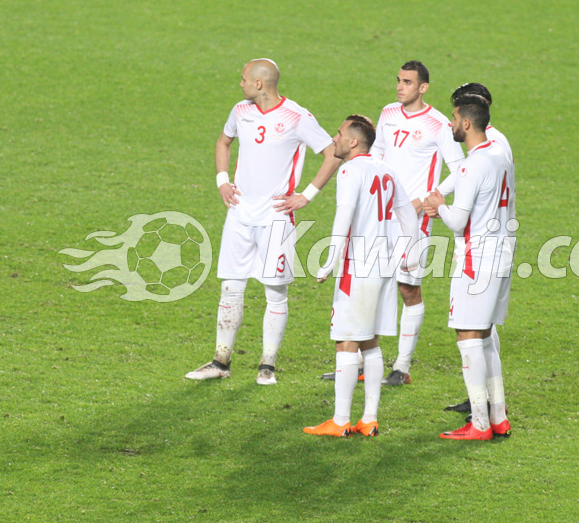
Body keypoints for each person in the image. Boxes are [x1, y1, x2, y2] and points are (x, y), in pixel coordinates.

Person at [186, 58, 341, 385]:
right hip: (239, 214)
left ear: (259, 83)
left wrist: (307, 195)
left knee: (274, 291)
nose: (239, 84)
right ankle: (220, 361)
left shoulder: (297, 117)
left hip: (276, 218)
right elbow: (223, 141)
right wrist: (222, 180)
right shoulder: (240, 111)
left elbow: (332, 152)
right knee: (230, 287)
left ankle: (267, 365)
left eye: (243, 79)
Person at [303, 116, 419, 437]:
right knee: (371, 342)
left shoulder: (350, 170)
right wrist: (409, 254)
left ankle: (340, 421)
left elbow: (345, 214)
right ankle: (369, 419)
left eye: (339, 133)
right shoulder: (386, 169)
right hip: (383, 265)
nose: (335, 137)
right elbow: (408, 214)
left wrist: (330, 260)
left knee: (346, 341)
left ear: (353, 141)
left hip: (358, 266)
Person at [423, 93, 515, 440]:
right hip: (502, 253)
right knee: (486, 336)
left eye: (453, 118)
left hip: (477, 259)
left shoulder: (472, 163)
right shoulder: (500, 153)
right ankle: (498, 416)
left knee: (467, 336)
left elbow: (457, 221)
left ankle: (478, 424)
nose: (449, 123)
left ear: (465, 122)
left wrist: (437, 205)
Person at [369, 60, 465, 386]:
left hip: (414, 221)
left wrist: (425, 202)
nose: (400, 87)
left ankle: (402, 367)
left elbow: (460, 169)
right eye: (398, 80)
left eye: (407, 82)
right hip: (381, 215)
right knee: (370, 283)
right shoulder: (387, 113)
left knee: (408, 288)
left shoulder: (439, 124)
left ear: (423, 88)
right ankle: (359, 362)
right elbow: (377, 155)